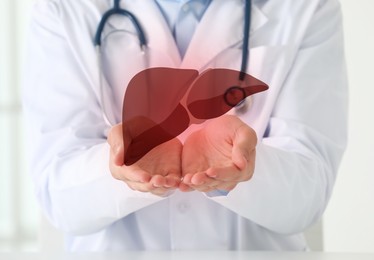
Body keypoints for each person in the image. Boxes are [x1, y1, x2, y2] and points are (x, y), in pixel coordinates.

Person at [23, 0, 348, 251]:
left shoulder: (306, 7)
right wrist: (118, 169)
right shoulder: (63, 8)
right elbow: (57, 192)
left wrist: (248, 166)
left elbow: (308, 193)